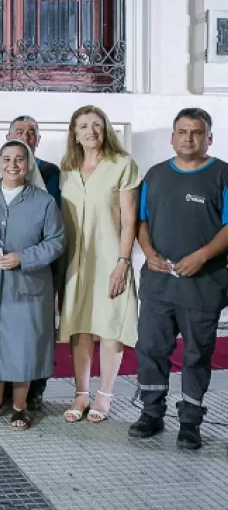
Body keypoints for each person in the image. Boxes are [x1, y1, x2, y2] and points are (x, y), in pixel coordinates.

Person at [129, 108, 228, 450]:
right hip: (159, 283)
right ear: (172, 137)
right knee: (151, 349)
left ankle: (190, 422)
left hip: (204, 284)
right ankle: (151, 414)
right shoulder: (155, 175)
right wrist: (149, 253)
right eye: (182, 131)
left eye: (196, 132)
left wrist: (201, 257)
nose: (188, 137)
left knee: (197, 354)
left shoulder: (222, 175)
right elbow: (140, 221)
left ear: (209, 138)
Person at [0, 140, 65, 430]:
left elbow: (57, 241)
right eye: (6, 158)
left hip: (27, 283)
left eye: (19, 159)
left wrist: (23, 257)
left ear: (29, 164)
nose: (13, 165)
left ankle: (21, 405)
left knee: (24, 343)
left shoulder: (43, 201)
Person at [58, 105, 140, 423]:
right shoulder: (67, 168)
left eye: (96, 124)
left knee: (109, 327)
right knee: (79, 327)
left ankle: (104, 395)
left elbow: (130, 221)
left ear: (105, 129)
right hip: (75, 259)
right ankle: (80, 394)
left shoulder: (122, 164)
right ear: (74, 134)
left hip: (110, 257)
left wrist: (122, 263)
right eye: (82, 126)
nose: (90, 131)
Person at [0, 116, 61, 206]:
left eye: (31, 133)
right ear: (8, 138)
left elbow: (54, 206)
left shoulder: (50, 171)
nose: (25, 137)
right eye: (19, 133)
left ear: (38, 139)